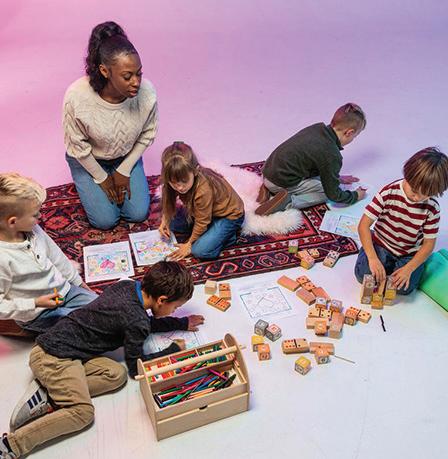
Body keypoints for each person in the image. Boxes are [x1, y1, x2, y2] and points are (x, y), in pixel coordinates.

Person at [0, 261, 204, 458]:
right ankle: (11, 445)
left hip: (69, 352)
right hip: (51, 356)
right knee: (83, 413)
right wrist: (172, 349)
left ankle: (50, 396)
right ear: (161, 300)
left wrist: (181, 322)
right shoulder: (136, 320)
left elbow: (141, 324)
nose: (174, 311)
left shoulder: (127, 286)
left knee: (116, 374)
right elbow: (137, 368)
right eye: (175, 307)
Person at [63, 21, 158, 230]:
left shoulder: (147, 93)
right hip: (88, 157)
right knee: (105, 221)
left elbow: (147, 134)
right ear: (105, 71)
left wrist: (124, 170)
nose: (136, 82)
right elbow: (77, 146)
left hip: (125, 155)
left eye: (139, 73)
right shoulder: (76, 96)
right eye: (127, 76)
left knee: (138, 214)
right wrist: (102, 178)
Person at [0, 173, 97, 334]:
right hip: (39, 313)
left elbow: (56, 256)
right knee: (84, 327)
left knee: (103, 309)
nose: (40, 216)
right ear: (13, 222)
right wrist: (35, 303)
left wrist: (78, 283)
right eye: (35, 214)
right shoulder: (3, 258)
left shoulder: (32, 228)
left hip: (66, 292)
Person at [355, 147, 448, 294]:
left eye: (426, 195)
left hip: (408, 253)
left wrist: (409, 268)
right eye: (415, 191)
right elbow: (363, 226)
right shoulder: (388, 192)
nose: (418, 198)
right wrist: (372, 258)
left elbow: (428, 244)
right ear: (407, 175)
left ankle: (405, 267)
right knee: (363, 275)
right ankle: (369, 252)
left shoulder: (432, 208)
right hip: (382, 244)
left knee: (405, 288)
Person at [255, 103, 367, 215]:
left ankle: (268, 188)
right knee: (325, 192)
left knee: (312, 173)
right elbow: (334, 195)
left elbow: (317, 163)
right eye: (355, 136)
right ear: (349, 132)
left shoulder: (317, 128)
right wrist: (355, 196)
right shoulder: (331, 154)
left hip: (268, 171)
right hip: (278, 182)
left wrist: (337, 178)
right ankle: (287, 202)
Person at [159, 142, 245, 260]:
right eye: (174, 183)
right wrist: (165, 220)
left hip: (229, 216)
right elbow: (168, 198)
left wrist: (189, 244)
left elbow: (202, 221)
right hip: (203, 212)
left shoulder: (203, 190)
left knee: (199, 251)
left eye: (184, 181)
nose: (179, 187)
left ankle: (229, 237)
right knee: (172, 223)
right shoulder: (173, 179)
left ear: (195, 171)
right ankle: (212, 231)